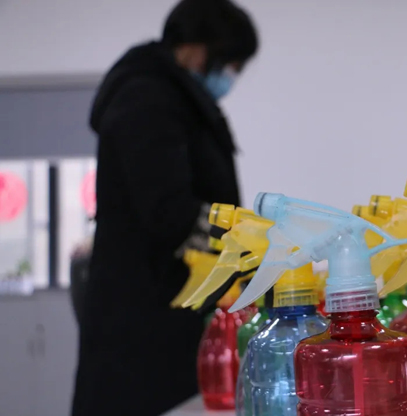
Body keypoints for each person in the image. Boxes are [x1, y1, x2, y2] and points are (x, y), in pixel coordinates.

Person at [71, 1, 258, 415]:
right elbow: (168, 213)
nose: (231, 76)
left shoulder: (176, 99)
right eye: (231, 64)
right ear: (198, 50)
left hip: (168, 310)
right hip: (145, 320)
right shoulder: (147, 98)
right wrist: (249, 248)